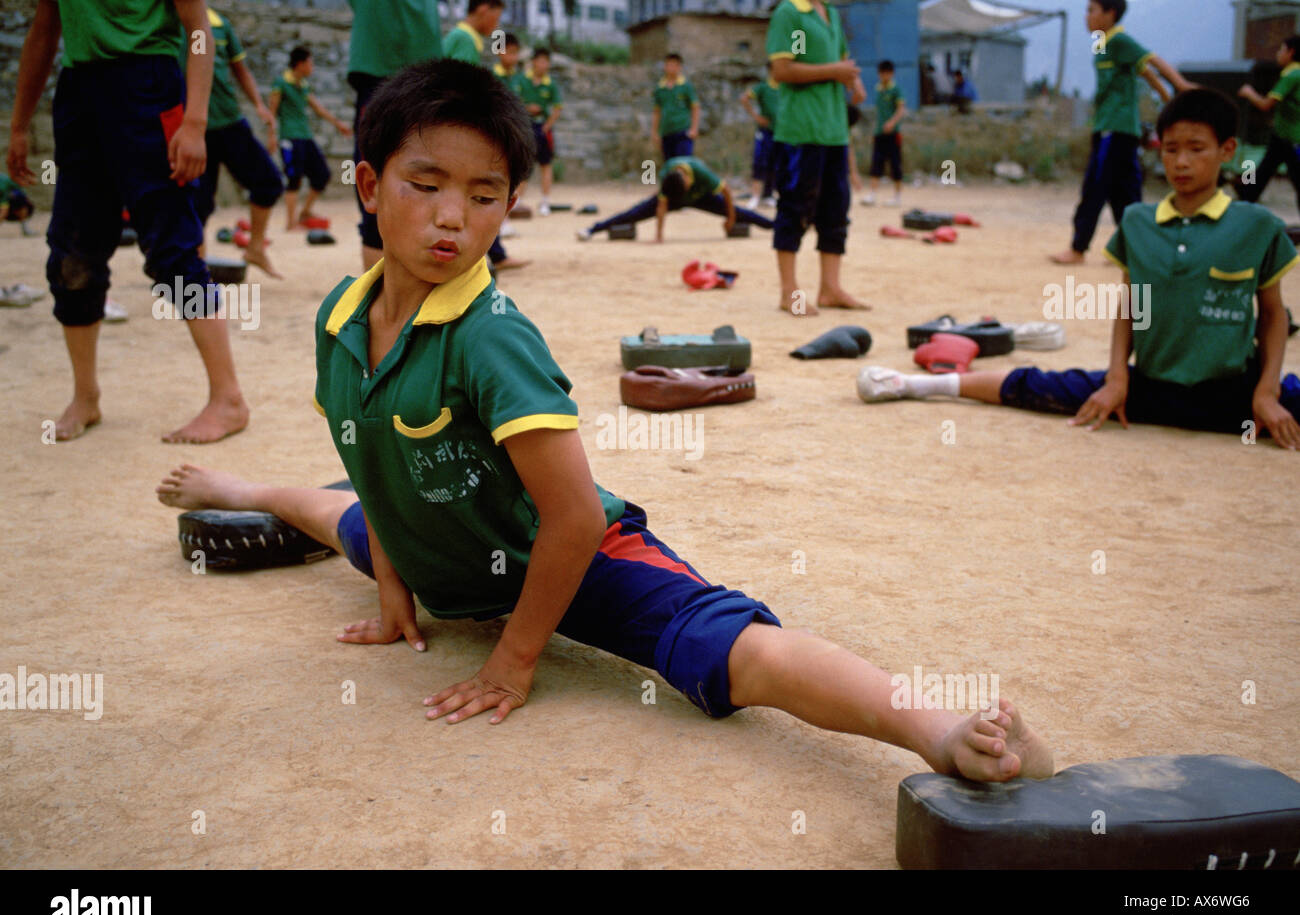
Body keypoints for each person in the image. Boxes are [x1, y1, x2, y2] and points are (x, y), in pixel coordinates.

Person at [157, 56, 1054, 783]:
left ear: (509, 205)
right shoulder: (342, 319)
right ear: (367, 184)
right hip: (441, 546)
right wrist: (395, 589)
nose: (449, 218)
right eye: (424, 183)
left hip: (573, 555)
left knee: (736, 652)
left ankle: (929, 724)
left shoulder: (490, 339)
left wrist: (512, 659)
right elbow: (374, 464)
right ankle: (246, 487)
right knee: (340, 512)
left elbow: (577, 518)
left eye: (483, 194)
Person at [860, 89, 1300, 452]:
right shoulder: (1137, 221)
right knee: (1038, 387)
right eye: (1171, 149)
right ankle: (915, 385)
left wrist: (1266, 393)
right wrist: (1116, 378)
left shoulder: (1255, 225)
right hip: (1147, 389)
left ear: (1228, 150)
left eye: (1196, 149)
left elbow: (1273, 313)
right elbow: (1131, 306)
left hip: (1236, 396)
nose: (1181, 162)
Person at [7, 0, 249, 443]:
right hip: (78, 93)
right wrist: (19, 125)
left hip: (147, 87)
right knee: (71, 253)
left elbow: (197, 26)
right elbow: (44, 32)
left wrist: (195, 122)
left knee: (173, 250)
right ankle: (86, 397)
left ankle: (228, 399)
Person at [1051, 0, 1191, 264]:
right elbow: (1145, 72)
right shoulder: (1102, 44)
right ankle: (1132, 251)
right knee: (1124, 192)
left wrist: (1180, 87)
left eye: (1092, 10)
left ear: (1110, 13)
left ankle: (1078, 248)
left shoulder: (1119, 41)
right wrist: (1166, 99)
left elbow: (1153, 61)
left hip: (1114, 129)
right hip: (1116, 128)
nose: (1086, 16)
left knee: (1095, 186)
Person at [767, 0, 868, 315]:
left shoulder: (831, 15)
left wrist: (853, 80)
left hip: (834, 129)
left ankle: (830, 288)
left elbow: (841, 58)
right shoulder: (792, 13)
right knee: (795, 207)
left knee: (836, 210)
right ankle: (790, 294)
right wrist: (834, 72)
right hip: (802, 130)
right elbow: (784, 69)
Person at [346, 0, 443, 271]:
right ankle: (382, 299)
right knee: (376, 190)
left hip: (423, 81)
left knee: (430, 179)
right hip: (386, 78)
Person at [189, 6, 283, 278]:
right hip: (191, 127)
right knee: (198, 203)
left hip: (229, 121)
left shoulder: (220, 24)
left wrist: (259, 106)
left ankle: (255, 248)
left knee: (268, 181)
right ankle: (196, 268)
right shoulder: (168, 18)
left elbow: (240, 69)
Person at [443, 1, 526, 270]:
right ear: (482, 9)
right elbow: (461, 93)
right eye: (496, 16)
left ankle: (495, 254)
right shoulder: (465, 39)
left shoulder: (462, 38)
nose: (496, 24)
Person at [577, 154, 773, 242]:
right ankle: (592, 229)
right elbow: (662, 204)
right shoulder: (668, 176)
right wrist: (659, 236)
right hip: (673, 198)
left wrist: (730, 219)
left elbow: (727, 191)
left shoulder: (701, 172)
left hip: (701, 198)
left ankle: (776, 226)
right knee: (633, 213)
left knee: (742, 214)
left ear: (688, 179)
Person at [269, 45, 352, 233]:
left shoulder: (303, 85)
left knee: (322, 175)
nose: (312, 66)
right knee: (294, 178)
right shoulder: (280, 83)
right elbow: (272, 112)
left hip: (305, 136)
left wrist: (338, 123)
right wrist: (272, 136)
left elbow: (318, 108)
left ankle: (305, 212)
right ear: (300, 64)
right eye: (310, 62)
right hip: (289, 137)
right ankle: (290, 224)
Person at [1237, 35, 1300, 218]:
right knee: (1261, 173)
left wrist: (1249, 93)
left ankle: (1244, 202)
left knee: (1263, 173)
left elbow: (1266, 104)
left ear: (1291, 52)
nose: (1278, 54)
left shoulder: (1291, 74)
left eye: (1281, 50)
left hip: (1290, 139)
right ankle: (1244, 203)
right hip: (1282, 136)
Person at [520, 48, 562, 217]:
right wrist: (527, 109)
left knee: (546, 164)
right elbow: (513, 101)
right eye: (540, 60)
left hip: (543, 128)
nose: (543, 65)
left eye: (546, 61)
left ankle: (545, 201)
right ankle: (518, 201)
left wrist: (547, 126)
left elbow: (558, 108)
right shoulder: (522, 80)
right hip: (525, 126)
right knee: (524, 164)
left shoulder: (550, 84)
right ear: (533, 62)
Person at [863, 59, 905, 207]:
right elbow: (878, 113)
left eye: (887, 73)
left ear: (891, 73)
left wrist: (892, 122)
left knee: (895, 164)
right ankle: (872, 194)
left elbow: (901, 109)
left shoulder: (896, 89)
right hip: (879, 133)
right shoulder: (878, 89)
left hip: (893, 133)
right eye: (881, 73)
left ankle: (897, 196)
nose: (884, 76)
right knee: (876, 163)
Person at [740, 63, 780, 208]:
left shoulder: (786, 88)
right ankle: (755, 195)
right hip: (765, 131)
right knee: (760, 162)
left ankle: (768, 195)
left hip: (781, 132)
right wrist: (756, 116)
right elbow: (744, 98)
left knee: (776, 164)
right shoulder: (763, 87)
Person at [651, 53, 699, 160]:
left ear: (679, 67)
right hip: (666, 132)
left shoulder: (686, 86)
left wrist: (694, 129)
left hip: (683, 131)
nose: (671, 68)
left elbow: (695, 107)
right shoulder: (660, 88)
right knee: (670, 165)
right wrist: (655, 132)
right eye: (668, 65)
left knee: (684, 164)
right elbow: (656, 112)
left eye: (674, 65)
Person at [442, 0, 502, 67]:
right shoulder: (465, 40)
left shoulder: (461, 35)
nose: (496, 25)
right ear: (484, 9)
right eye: (497, 18)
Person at [0, 170, 37, 235]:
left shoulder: (4, 181)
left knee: (20, 198)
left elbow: (4, 210)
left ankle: (25, 227)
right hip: (4, 204)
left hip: (9, 205)